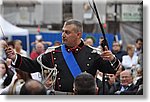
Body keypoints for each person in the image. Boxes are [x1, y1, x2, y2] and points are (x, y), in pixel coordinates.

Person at [4, 19, 120, 93]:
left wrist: (112, 58)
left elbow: (111, 70)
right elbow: (33, 66)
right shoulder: (54, 52)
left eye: (67, 32)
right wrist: (15, 57)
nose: (63, 35)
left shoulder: (93, 53)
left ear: (78, 34)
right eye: (63, 31)